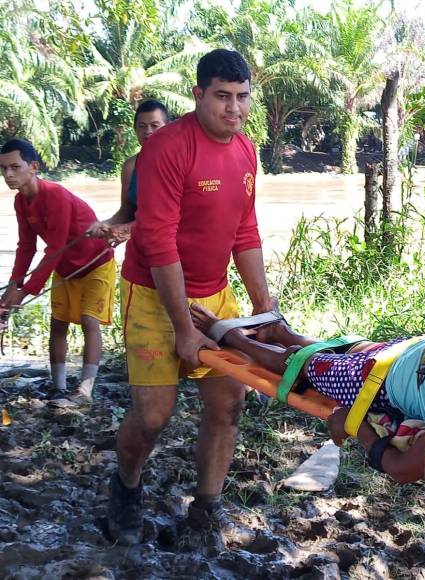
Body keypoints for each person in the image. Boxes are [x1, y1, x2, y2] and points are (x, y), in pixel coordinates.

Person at [106, 49, 293, 547]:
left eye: (243, 97)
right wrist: (184, 328)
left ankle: (206, 510)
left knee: (228, 404)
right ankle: (125, 486)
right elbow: (157, 240)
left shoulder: (246, 150)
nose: (234, 109)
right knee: (153, 416)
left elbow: (245, 231)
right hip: (152, 295)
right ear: (198, 95)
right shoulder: (166, 148)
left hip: (216, 295)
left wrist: (264, 311)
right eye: (222, 97)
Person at [189, 303, 425, 484]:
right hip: (379, 376)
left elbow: (405, 468)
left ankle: (280, 333)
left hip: (414, 349)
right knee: (300, 365)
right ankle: (234, 337)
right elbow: (402, 469)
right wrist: (355, 425)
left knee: (351, 351)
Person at [0, 139, 116, 403]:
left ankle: (85, 389)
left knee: (89, 321)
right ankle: (59, 387)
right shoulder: (21, 202)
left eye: (15, 167)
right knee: (58, 324)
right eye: (3, 169)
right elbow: (26, 246)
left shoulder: (55, 195)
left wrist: (27, 291)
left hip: (95, 263)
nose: (8, 175)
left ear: (33, 167)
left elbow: (56, 247)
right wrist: (12, 284)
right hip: (64, 269)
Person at [89, 99, 170, 244]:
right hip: (141, 249)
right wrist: (105, 225)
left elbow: (174, 215)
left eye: (155, 125)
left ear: (168, 128)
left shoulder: (181, 163)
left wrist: (128, 229)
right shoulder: (130, 167)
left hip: (176, 246)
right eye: (142, 126)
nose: (148, 131)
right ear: (135, 130)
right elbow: (126, 211)